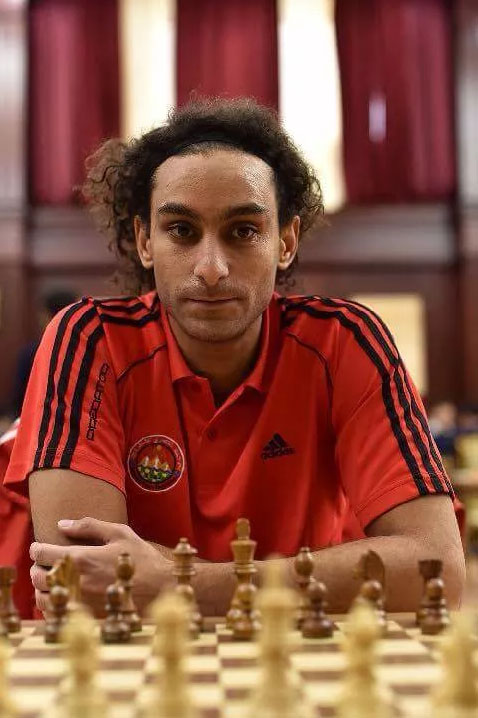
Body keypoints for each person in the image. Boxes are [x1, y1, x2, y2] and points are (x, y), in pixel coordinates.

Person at [4, 99, 464, 616]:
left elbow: (437, 569)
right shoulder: (89, 339)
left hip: (296, 652)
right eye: (182, 230)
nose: (212, 268)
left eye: (243, 230)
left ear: (285, 242)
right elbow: (82, 582)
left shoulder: (347, 341)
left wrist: (181, 583)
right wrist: (291, 582)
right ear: (145, 241)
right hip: (134, 657)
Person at [10, 289, 78, 418]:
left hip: (37, 419)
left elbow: (19, 398)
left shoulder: (31, 352)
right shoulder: (84, 351)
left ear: (47, 316)